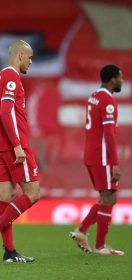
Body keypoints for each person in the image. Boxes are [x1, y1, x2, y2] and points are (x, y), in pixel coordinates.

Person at [0, 40, 40, 262]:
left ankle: (10, 251)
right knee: (33, 193)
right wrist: (17, 145)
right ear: (20, 55)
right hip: (14, 146)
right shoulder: (12, 77)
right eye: (30, 57)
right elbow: (6, 112)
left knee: (6, 196)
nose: (31, 62)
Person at [69, 65, 124, 256]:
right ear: (112, 80)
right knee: (108, 199)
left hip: (92, 154)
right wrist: (115, 162)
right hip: (102, 157)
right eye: (120, 78)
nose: (122, 81)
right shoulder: (108, 101)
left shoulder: (94, 97)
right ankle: (100, 246)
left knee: (109, 198)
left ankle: (82, 231)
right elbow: (109, 134)